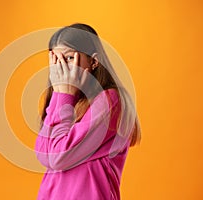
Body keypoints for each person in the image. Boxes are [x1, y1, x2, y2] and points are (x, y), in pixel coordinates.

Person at [35, 23, 141, 200]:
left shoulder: (111, 100)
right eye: (56, 60)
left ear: (93, 61)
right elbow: (44, 155)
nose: (62, 68)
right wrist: (62, 97)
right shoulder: (64, 99)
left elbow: (58, 158)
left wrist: (64, 95)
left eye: (69, 58)